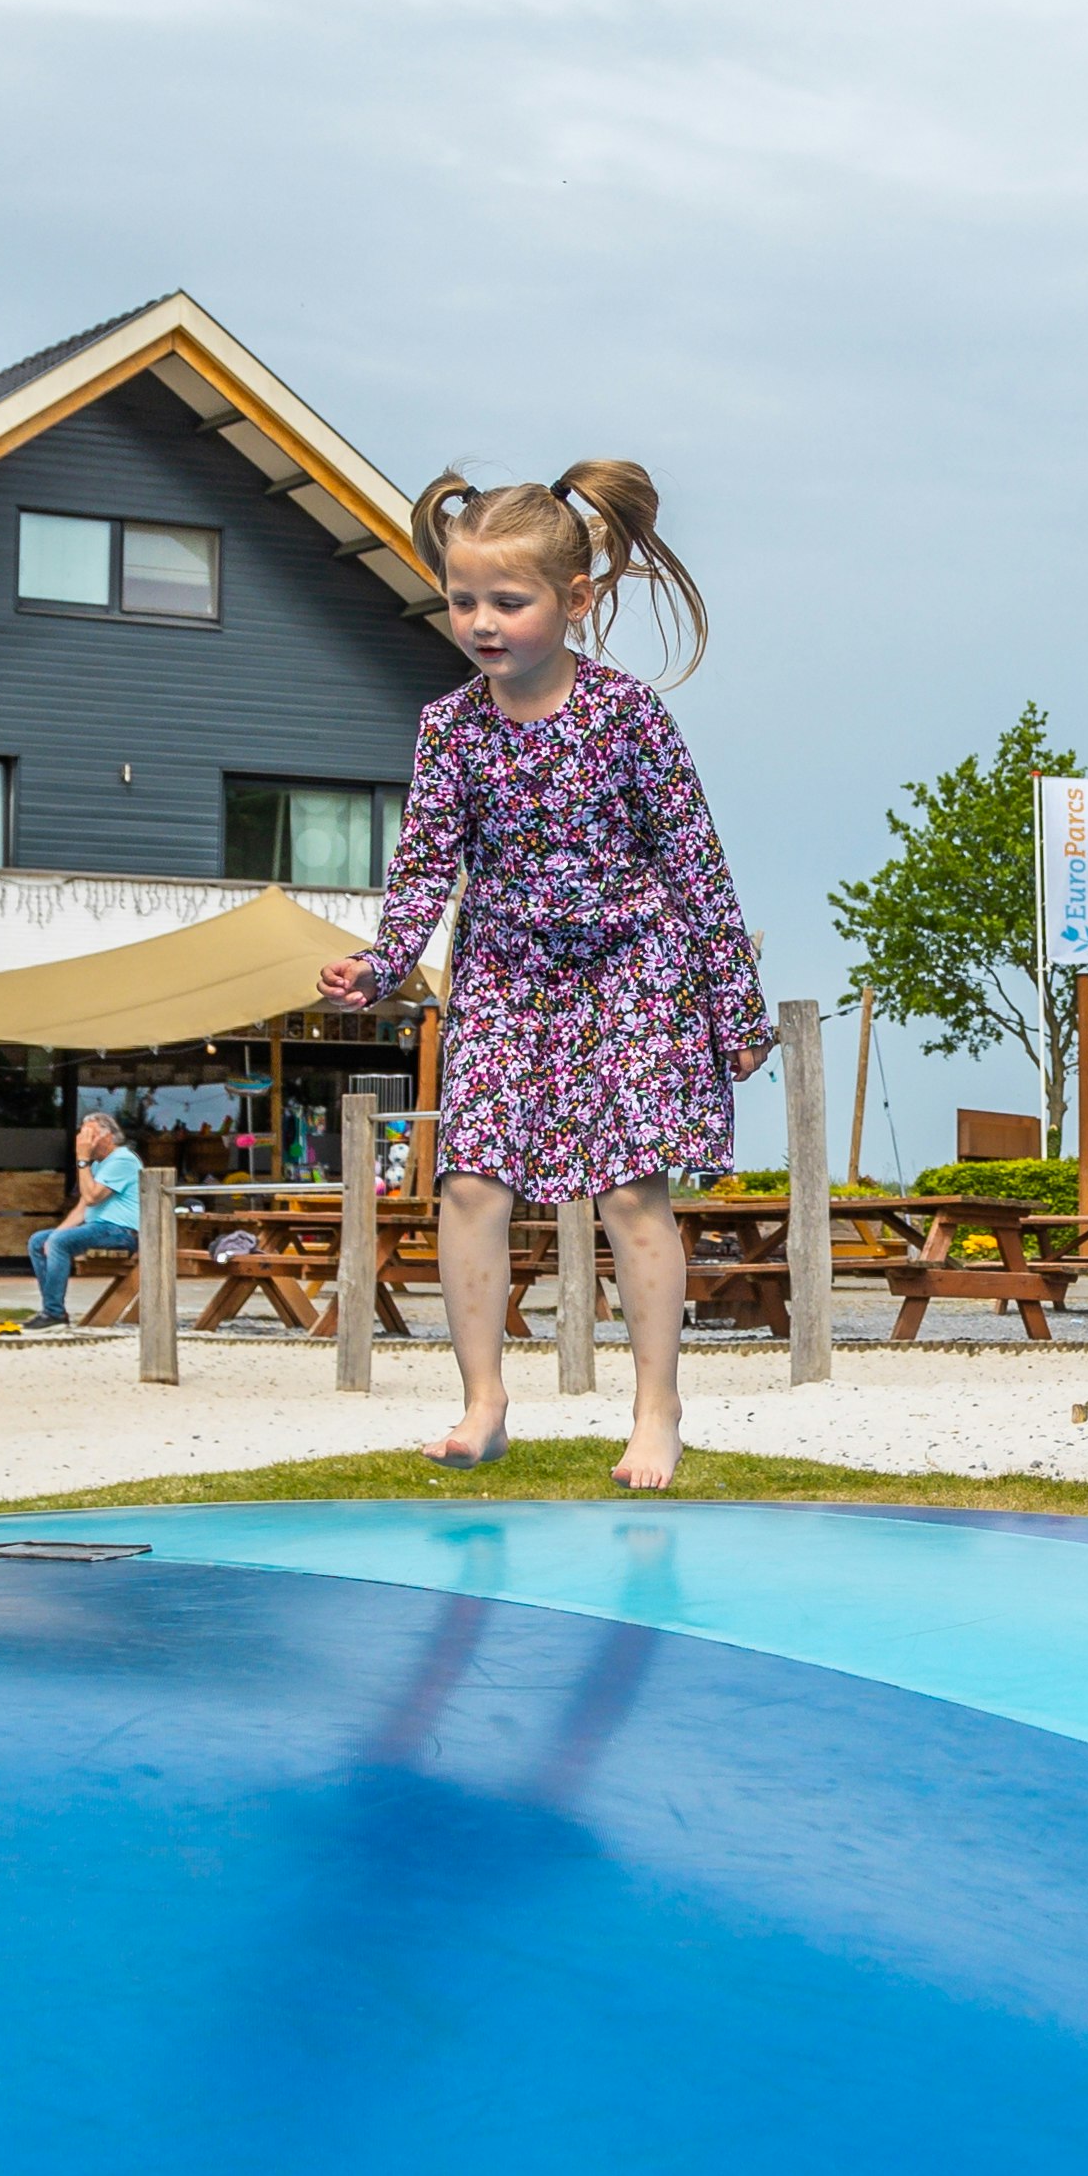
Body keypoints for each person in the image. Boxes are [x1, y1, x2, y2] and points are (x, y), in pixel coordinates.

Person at [318, 467, 771, 1490]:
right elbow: (426, 867)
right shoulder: (450, 728)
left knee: (629, 1195)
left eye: (507, 602)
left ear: (577, 602)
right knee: (470, 1184)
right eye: (462, 599)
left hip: (632, 970)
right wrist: (383, 964)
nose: (480, 621)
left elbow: (693, 859)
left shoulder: (627, 715)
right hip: (507, 971)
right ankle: (483, 1405)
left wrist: (732, 1005)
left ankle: (657, 1412)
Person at [28, 1111, 145, 1323]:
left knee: (58, 1242)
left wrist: (82, 1160)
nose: (82, 1140)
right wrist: (55, 1234)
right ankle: (53, 1310)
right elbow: (82, 1208)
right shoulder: (100, 1164)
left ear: (107, 1136)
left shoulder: (123, 1160)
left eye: (88, 1135)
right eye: (81, 1135)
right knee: (39, 1241)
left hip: (122, 1232)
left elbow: (91, 1197)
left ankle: (53, 1314)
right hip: (100, 1229)